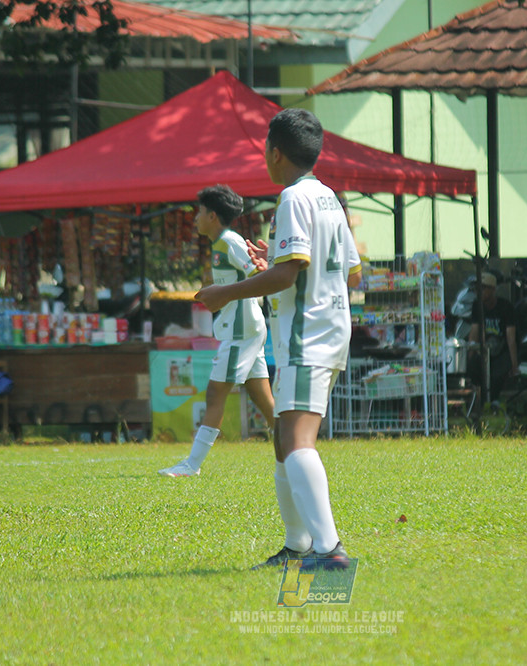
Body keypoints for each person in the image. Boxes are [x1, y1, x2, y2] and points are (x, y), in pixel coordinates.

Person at [196, 107, 361, 570]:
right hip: (325, 328)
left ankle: (329, 550)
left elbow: (288, 276)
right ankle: (297, 545)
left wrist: (225, 292)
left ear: (274, 153)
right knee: (282, 440)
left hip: (308, 334)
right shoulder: (328, 197)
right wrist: (277, 259)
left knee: (296, 438)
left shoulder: (292, 198)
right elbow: (352, 271)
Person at [158, 185, 276, 477]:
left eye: (199, 212)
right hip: (246, 329)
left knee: (215, 394)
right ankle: (298, 451)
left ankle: (191, 465)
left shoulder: (230, 242)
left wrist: (225, 293)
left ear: (212, 216)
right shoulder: (221, 243)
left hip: (241, 331)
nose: (195, 218)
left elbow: (260, 275)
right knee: (264, 401)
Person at [468, 272, 519, 403]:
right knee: (473, 369)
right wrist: (470, 356)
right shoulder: (476, 306)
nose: (479, 292)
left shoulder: (506, 307)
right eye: (477, 288)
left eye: (483, 288)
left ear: (493, 289)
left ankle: (492, 403)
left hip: (501, 351)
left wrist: (514, 365)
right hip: (484, 350)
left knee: (497, 375)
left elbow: (511, 338)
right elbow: (474, 332)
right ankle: (479, 401)